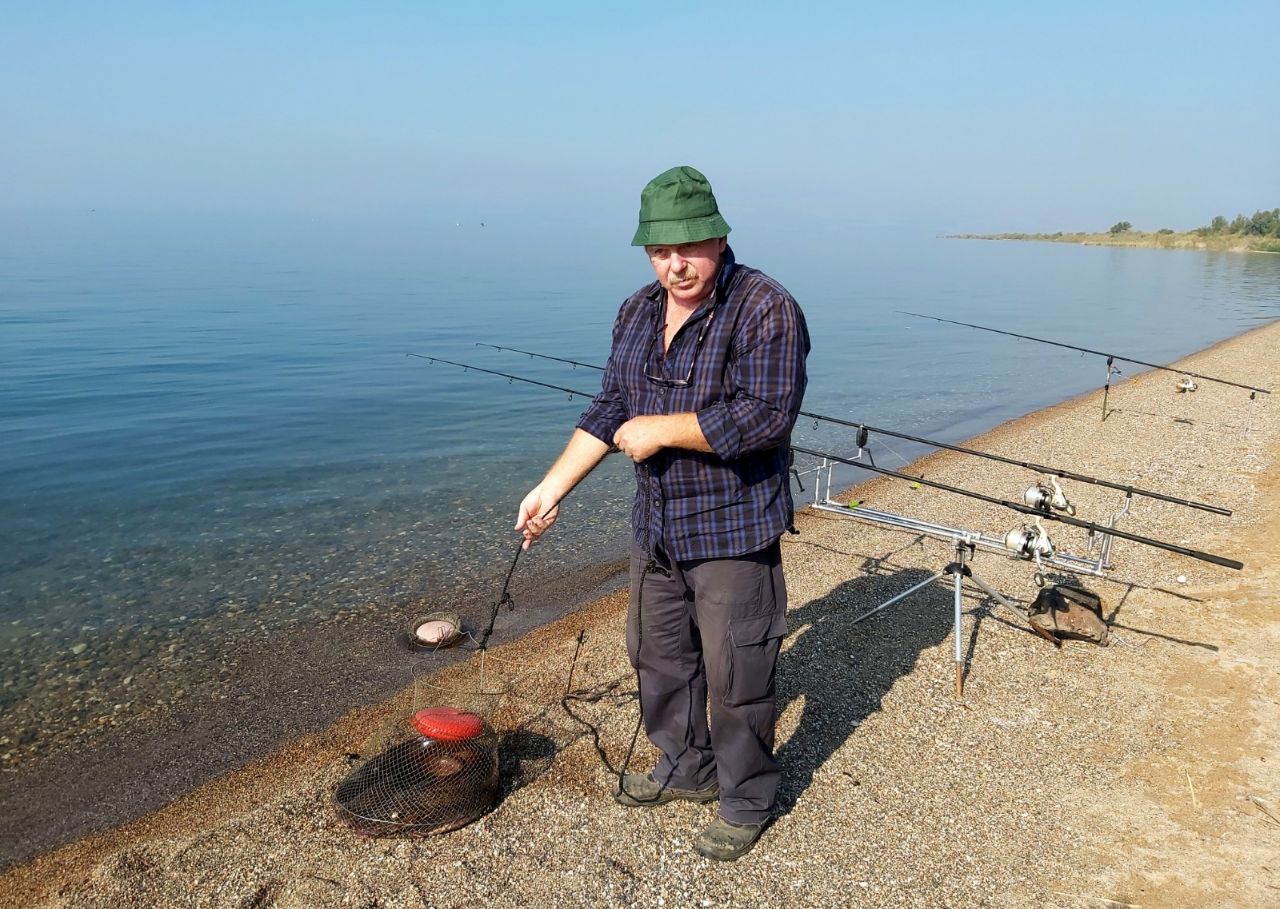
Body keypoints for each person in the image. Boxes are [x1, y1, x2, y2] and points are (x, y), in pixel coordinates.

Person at [515, 165, 809, 861]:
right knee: (657, 656)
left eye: (690, 247)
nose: (675, 264)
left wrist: (663, 429)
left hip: (735, 528)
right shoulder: (636, 311)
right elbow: (611, 408)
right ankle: (686, 767)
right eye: (659, 250)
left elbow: (766, 415)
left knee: (739, 673)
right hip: (659, 528)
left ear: (717, 235)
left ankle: (746, 797)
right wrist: (552, 488)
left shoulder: (766, 307)